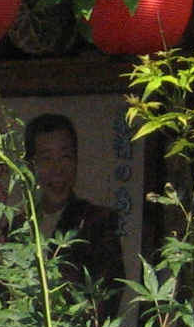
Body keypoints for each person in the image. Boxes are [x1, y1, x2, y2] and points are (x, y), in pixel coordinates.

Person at [22, 113, 126, 304]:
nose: (58, 169)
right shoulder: (18, 224)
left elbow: (107, 295)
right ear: (30, 165)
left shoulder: (96, 221)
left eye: (66, 156)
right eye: (46, 159)